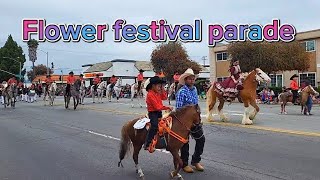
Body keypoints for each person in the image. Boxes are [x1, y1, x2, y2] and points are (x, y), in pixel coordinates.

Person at [176, 68, 205, 173]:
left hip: (195, 120)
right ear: (186, 80)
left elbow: (196, 104)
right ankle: (184, 164)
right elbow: (178, 109)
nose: (192, 81)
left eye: (193, 79)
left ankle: (196, 161)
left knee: (201, 139)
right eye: (190, 79)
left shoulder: (195, 89)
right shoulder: (182, 92)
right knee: (185, 143)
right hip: (184, 121)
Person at [143, 76, 172, 151]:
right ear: (153, 86)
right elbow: (157, 107)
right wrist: (167, 108)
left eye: (161, 86)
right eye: (159, 86)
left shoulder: (157, 92)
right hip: (153, 113)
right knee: (154, 126)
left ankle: (162, 140)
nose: (160, 88)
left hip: (159, 112)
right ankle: (147, 143)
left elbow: (164, 97)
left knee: (166, 124)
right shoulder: (150, 94)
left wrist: (162, 89)